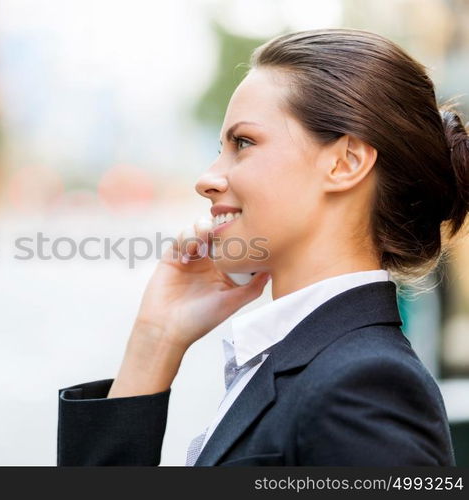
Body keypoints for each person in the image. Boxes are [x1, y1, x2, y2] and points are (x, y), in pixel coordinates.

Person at [57, 28, 467, 466]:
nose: (207, 178)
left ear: (345, 163)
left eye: (243, 143)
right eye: (222, 148)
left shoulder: (366, 388)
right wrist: (157, 337)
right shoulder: (312, 363)